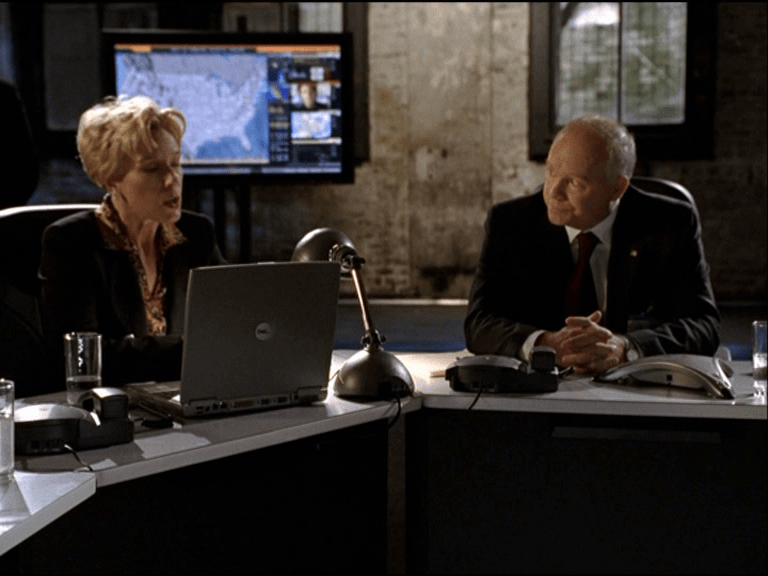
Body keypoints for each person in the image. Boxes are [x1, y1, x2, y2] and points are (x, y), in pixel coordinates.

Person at [464, 116, 720, 375]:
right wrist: (545, 344)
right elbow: (479, 322)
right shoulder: (510, 223)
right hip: (541, 387)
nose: (553, 192)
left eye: (575, 182)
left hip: (634, 387)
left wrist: (626, 348)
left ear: (617, 188)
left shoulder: (671, 223)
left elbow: (703, 324)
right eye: (551, 172)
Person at [39, 95, 225, 385]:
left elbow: (232, 322)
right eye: (152, 169)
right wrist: (194, 351)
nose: (172, 179)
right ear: (110, 178)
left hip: (184, 398)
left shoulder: (197, 234)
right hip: (110, 405)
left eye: (176, 163)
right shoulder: (71, 243)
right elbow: (82, 357)